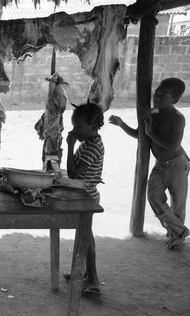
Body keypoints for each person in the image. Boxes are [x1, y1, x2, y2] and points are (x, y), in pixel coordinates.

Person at [109, 77, 189, 250]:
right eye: (156, 94)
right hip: (160, 165)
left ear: (174, 100)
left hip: (177, 165)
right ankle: (180, 231)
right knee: (153, 197)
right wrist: (121, 124)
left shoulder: (178, 118)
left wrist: (151, 133)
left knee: (178, 204)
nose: (156, 98)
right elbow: (141, 135)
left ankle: (176, 238)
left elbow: (173, 146)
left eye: (162, 96)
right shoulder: (152, 113)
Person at [63, 102, 104, 297]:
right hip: (84, 193)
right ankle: (84, 274)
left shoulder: (92, 147)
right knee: (86, 236)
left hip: (85, 197)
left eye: (78, 126)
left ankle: (93, 279)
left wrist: (70, 147)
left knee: (86, 238)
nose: (74, 130)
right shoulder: (89, 143)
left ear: (93, 127)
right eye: (73, 126)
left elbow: (72, 173)